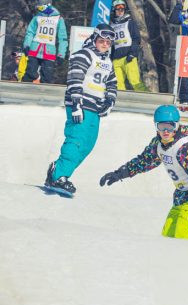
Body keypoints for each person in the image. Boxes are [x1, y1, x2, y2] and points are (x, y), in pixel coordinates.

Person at [99, 105, 188, 240]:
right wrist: (119, 173)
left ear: (177, 126)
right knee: (168, 235)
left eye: (170, 126)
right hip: (181, 197)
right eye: (161, 127)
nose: (166, 131)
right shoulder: (158, 144)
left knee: (182, 237)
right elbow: (143, 161)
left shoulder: (185, 147)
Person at [44, 24, 118, 195]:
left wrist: (110, 101)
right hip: (81, 106)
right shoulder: (84, 54)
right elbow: (75, 79)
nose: (105, 44)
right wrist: (76, 104)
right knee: (76, 140)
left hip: (95, 109)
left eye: (108, 42)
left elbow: (112, 83)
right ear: (94, 38)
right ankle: (59, 176)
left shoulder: (107, 61)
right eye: (102, 40)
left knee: (87, 144)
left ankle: (59, 171)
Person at [22, 0, 68, 84]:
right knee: (29, 73)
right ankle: (23, 91)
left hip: (49, 51)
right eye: (38, 7)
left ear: (48, 5)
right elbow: (30, 32)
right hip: (34, 49)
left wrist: (61, 54)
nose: (39, 10)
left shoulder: (58, 18)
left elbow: (63, 38)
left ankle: (44, 94)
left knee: (47, 77)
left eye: (41, 7)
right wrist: (26, 45)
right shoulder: (37, 17)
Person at [109, 0, 148, 92]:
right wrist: (110, 57)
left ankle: (148, 99)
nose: (120, 10)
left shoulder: (130, 22)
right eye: (118, 8)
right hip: (116, 59)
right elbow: (111, 44)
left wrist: (132, 53)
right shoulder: (111, 25)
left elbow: (136, 38)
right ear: (114, 10)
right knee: (118, 84)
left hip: (128, 57)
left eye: (122, 8)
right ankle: (120, 103)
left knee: (135, 81)